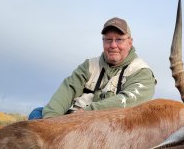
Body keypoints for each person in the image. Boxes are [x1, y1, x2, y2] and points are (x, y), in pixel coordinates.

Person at [28, 17, 156, 119]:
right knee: (38, 113)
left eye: (119, 40)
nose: (113, 45)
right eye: (108, 40)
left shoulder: (141, 71)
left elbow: (128, 101)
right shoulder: (89, 65)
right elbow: (67, 90)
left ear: (130, 42)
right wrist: (51, 120)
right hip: (69, 121)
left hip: (105, 126)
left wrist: (86, 113)